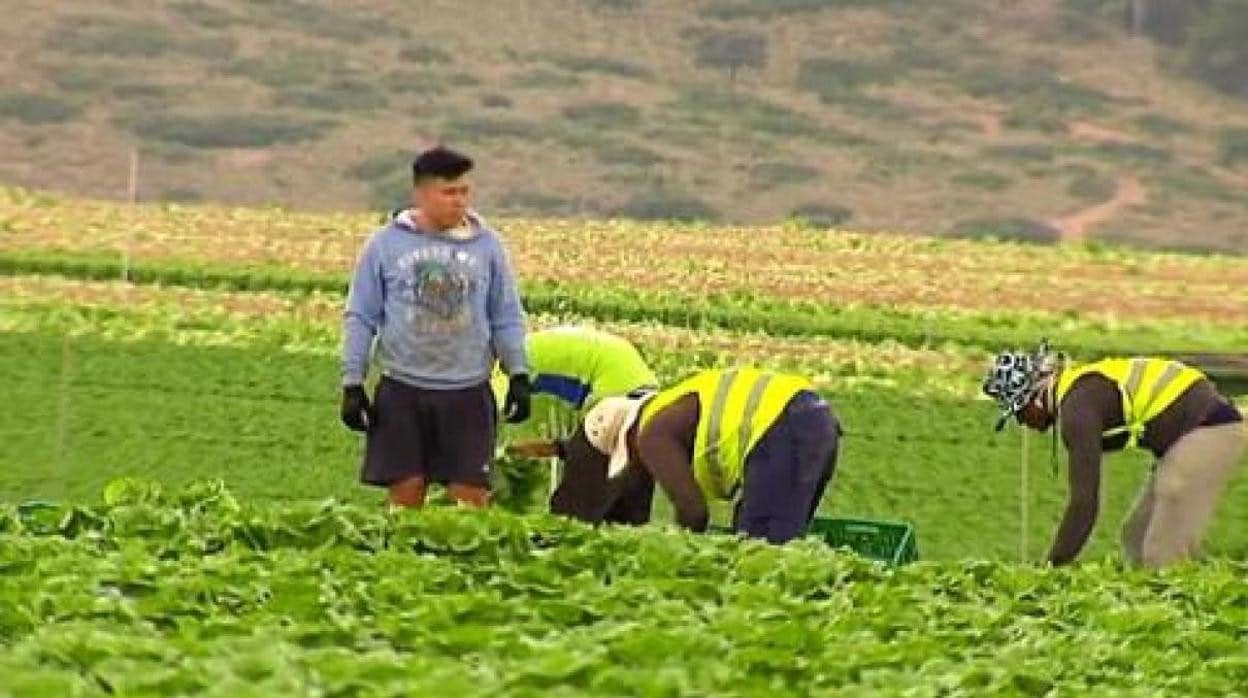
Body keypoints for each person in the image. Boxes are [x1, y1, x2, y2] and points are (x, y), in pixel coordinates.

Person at [340, 146, 532, 509]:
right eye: (448, 192)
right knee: (405, 497)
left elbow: (505, 313)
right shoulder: (385, 245)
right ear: (422, 193)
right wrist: (352, 382)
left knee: (471, 500)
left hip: (467, 391)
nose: (458, 201)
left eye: (464, 192)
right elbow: (361, 315)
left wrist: (518, 373)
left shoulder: (488, 246)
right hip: (403, 389)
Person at [983, 342, 1245, 568]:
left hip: (1211, 428)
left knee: (1162, 554)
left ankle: (1191, 616)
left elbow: (1084, 505)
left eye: (1020, 413)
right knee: (1136, 536)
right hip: (1186, 436)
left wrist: (1051, 569)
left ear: (1035, 398)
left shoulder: (1077, 409)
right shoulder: (1078, 391)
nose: (1023, 422)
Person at [510, 367, 842, 544]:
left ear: (628, 435)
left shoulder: (652, 433)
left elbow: (693, 511)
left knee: (762, 556)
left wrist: (677, 560)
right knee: (773, 543)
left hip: (783, 427)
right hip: (815, 421)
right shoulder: (676, 405)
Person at [490, 325, 659, 439]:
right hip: (633, 371)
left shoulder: (506, 364)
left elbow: (488, 410)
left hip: (614, 380)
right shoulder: (527, 345)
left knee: (592, 454)